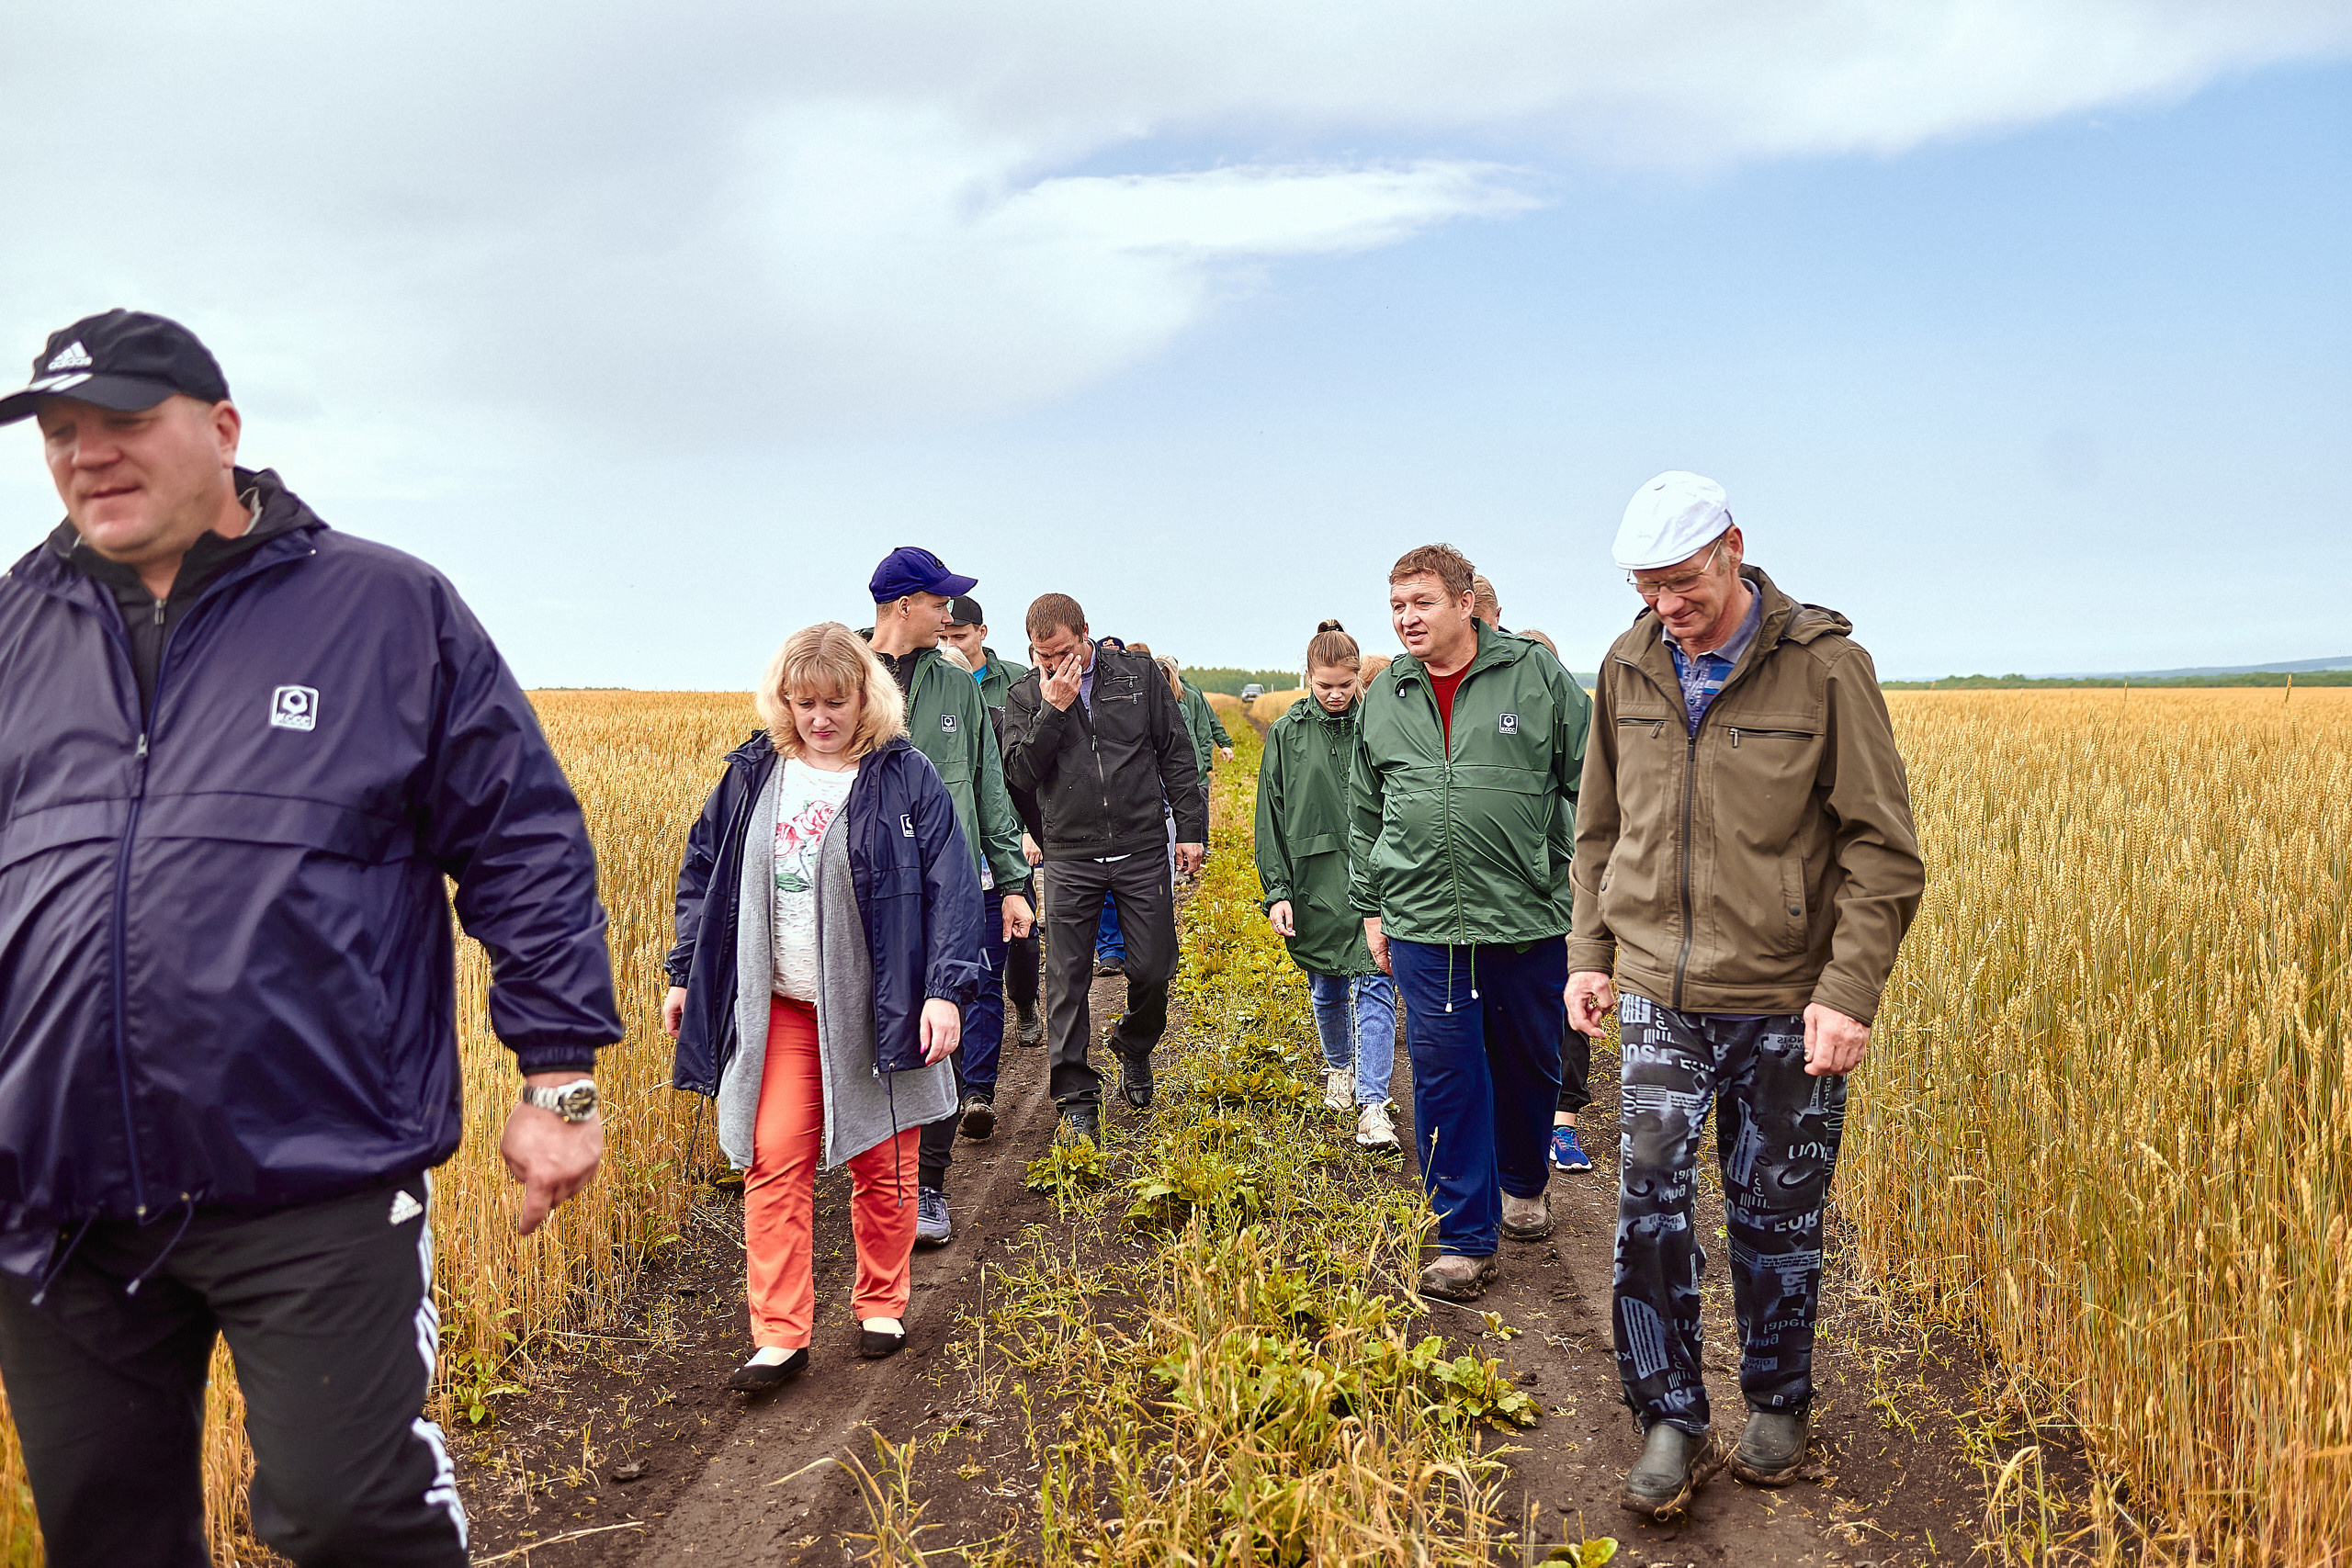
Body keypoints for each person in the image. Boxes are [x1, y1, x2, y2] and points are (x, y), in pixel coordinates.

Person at [0, 310, 622, 1568]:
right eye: (62, 433)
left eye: (122, 422)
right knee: (104, 1532)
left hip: (314, 1164)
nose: (87, 455)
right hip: (56, 1196)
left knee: (353, 1509)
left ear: (224, 430)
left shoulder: (385, 609)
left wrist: (559, 1070)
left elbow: (522, 839)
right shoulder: (16, 625)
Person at [1567, 471, 1924, 1519]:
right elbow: (1599, 830)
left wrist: (1847, 992)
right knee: (1648, 1207)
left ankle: (1776, 1399)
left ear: (1732, 548)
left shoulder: (1823, 669)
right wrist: (1590, 950)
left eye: (1682, 583)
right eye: (1647, 588)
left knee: (1776, 1214)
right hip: (1658, 997)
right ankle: (1669, 1413)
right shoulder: (1625, 665)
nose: (1666, 608)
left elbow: (1882, 851)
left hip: (1784, 998)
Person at [664, 623, 981, 1390]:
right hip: (782, 1009)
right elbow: (702, 875)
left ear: (864, 697)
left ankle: (881, 1301)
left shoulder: (903, 776)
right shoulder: (752, 775)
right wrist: (682, 973)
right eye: (803, 703)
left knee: (886, 1160)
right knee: (773, 1159)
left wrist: (943, 989)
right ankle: (779, 1333)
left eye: (835, 701)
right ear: (784, 702)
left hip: (880, 1007)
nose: (819, 717)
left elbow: (953, 886)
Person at [1350, 544, 1591, 1303]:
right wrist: (1371, 904)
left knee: (1526, 1062)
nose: (1406, 618)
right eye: (1396, 605)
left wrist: (1597, 897)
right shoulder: (1386, 693)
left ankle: (1523, 1180)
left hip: (1526, 913)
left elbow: (1597, 782)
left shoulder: (1535, 675)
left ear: (1463, 602)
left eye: (1421, 601)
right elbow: (1364, 808)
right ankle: (1462, 1237)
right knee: (1447, 1072)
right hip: (1423, 918)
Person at [860, 553, 1033, 1248]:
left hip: (948, 887)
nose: (950, 615)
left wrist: (1012, 880)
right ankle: (873, 1172)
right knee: (863, 1033)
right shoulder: (840, 674)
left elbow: (988, 782)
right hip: (863, 892)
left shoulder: (957, 685)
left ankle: (928, 1185)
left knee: (940, 1029)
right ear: (905, 604)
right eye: (941, 603)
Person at [1002, 594, 1206, 1143]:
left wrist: (1190, 828)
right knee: (1066, 978)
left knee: (1155, 967)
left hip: (1140, 848)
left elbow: (1176, 754)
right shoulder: (1024, 696)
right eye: (1043, 657)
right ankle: (1076, 1096)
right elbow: (1019, 773)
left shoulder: (1138, 676)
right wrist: (1054, 708)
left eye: (1064, 652)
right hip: (1071, 856)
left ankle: (1134, 1045)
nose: (1054, 665)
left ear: (1086, 633)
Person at [1257, 621, 1399, 1152]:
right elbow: (1269, 816)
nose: (1336, 695)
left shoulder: (1381, 724)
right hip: (1312, 881)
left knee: (1378, 981)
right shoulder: (1287, 733)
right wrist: (1277, 891)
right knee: (1327, 986)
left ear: (1359, 678)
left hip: (1375, 876)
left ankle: (1373, 1102)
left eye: (1345, 684)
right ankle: (1339, 1069)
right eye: (1325, 686)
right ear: (1308, 678)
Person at [1483, 623, 1596, 1176]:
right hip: (1526, 900)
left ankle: (1565, 1124)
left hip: (1572, 896)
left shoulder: (1575, 739)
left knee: (1570, 1013)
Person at [943, 597, 1045, 1048]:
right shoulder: (935, 681)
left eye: (960, 636)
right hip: (964, 829)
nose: (952, 644)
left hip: (1011, 822)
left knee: (1022, 934)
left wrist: (1026, 830)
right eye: (944, 636)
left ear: (982, 633)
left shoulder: (1014, 684)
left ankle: (1024, 1001)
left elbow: (1028, 767)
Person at [1170, 655, 1235, 843]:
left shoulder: (1191, 695)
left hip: (1195, 765)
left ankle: (1202, 844)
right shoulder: (1154, 695)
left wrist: (1206, 760)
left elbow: (1207, 726)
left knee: (1199, 801)